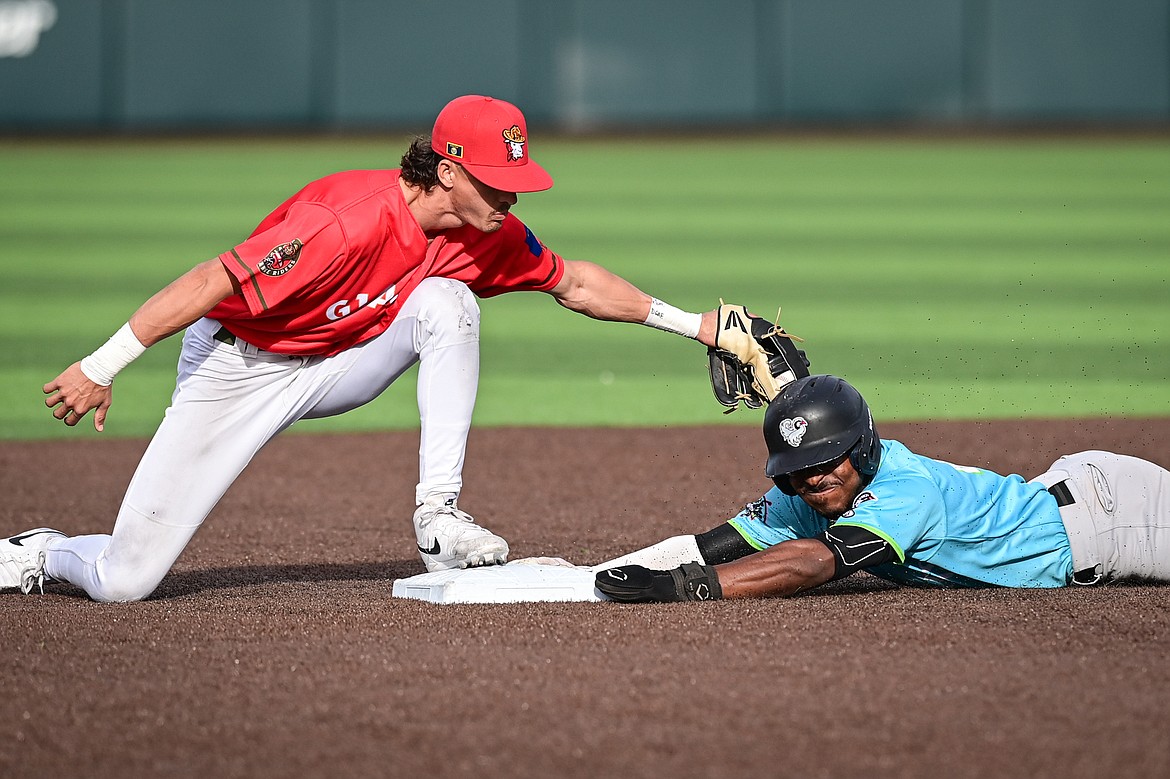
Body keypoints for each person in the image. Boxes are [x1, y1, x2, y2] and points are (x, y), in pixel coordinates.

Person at [0, 94, 730, 602]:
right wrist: (100, 367)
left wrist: (696, 323)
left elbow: (575, 283)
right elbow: (208, 280)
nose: (514, 198)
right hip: (238, 366)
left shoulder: (485, 235)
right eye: (499, 182)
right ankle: (43, 550)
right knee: (126, 579)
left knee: (448, 303)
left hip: (339, 360)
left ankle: (438, 515)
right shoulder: (343, 221)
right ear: (448, 172)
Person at [593, 374, 1170, 602]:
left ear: (862, 448)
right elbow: (725, 540)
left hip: (1110, 518)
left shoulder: (903, 492)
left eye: (825, 461)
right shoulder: (805, 489)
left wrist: (689, 588)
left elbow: (820, 561)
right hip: (1069, 495)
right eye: (796, 468)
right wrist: (642, 568)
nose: (811, 479)